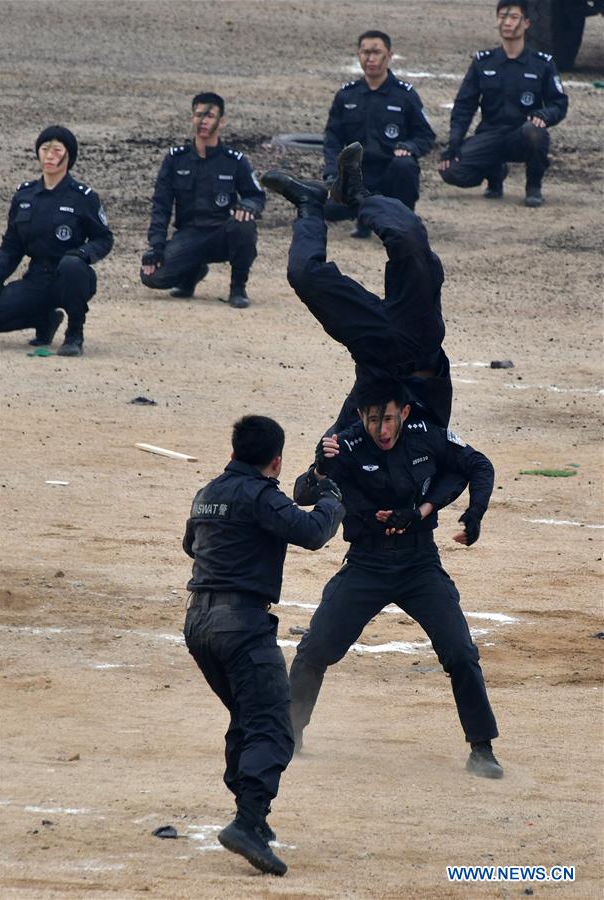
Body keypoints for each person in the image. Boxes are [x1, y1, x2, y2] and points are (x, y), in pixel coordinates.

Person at [290, 378, 503, 779]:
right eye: (373, 420)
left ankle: (482, 749)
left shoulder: (426, 436)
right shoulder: (346, 445)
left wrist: (475, 513)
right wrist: (319, 468)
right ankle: (288, 735)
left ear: (404, 412)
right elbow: (301, 493)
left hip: (419, 564)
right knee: (315, 648)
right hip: (366, 564)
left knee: (460, 651)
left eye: (388, 419)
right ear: (360, 416)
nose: (382, 430)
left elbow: (479, 465)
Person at [182, 415, 344, 876]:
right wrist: (333, 501)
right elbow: (311, 532)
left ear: (233, 452)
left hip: (198, 624)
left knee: (248, 717)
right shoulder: (261, 495)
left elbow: (192, 545)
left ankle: (252, 813)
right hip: (241, 626)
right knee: (274, 724)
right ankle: (248, 821)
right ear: (276, 462)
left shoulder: (207, 493)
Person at [261, 142, 452, 433]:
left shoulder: (353, 435)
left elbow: (321, 461)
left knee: (304, 275)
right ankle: (356, 195)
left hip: (375, 353)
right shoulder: (430, 444)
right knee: (408, 239)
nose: (383, 433)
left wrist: (326, 459)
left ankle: (309, 204)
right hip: (420, 332)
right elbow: (465, 457)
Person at [141, 92, 265, 308]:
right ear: (192, 118)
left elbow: (256, 195)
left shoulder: (234, 160)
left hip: (223, 233)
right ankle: (192, 273)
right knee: (151, 276)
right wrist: (156, 246)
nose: (203, 121)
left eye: (210, 116)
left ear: (221, 121)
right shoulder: (175, 159)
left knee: (244, 225)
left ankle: (238, 288)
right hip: (189, 234)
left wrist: (248, 206)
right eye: (199, 115)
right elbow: (161, 205)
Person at [438, 1, 568, 208]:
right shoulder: (483, 62)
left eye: (514, 17)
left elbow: (559, 103)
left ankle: (533, 186)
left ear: (526, 23)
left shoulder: (542, 63)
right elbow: (464, 106)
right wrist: (454, 143)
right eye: (502, 17)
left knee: (535, 133)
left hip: (522, 135)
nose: (507, 23)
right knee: (450, 170)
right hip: (490, 135)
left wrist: (544, 116)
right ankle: (495, 173)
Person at [0, 126, 113, 356]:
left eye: (57, 150)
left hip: (70, 276)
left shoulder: (83, 197)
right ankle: (45, 320)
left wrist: (82, 255)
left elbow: (104, 238)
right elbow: (12, 247)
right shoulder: (25, 195)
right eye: (44, 149)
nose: (49, 156)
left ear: (69, 156)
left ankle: (74, 334)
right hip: (37, 277)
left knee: (71, 266)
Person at [323, 30, 435, 236]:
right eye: (365, 52)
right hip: (359, 174)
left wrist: (409, 147)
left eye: (376, 52)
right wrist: (333, 173)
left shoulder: (405, 95)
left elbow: (426, 136)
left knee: (405, 165)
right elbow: (332, 139)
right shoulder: (346, 95)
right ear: (358, 55)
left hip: (390, 172)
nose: (370, 58)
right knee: (328, 209)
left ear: (389, 56)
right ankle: (365, 219)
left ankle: (403, 220)